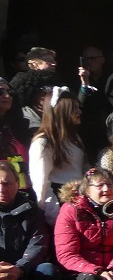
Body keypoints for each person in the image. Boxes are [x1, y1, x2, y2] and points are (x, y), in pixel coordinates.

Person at [29, 87, 87, 224]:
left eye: (78, 107)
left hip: (81, 199)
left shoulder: (75, 137)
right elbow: (41, 185)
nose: (79, 112)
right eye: (74, 108)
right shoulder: (43, 143)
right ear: (61, 111)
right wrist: (55, 216)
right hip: (60, 203)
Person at [0, 77, 30, 190]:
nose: (7, 96)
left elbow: (20, 158)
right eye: (0, 92)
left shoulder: (18, 127)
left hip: (20, 190)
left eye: (10, 92)